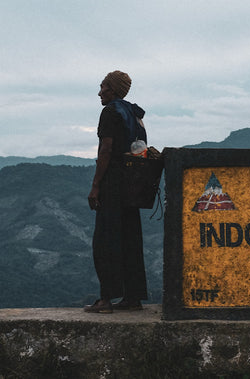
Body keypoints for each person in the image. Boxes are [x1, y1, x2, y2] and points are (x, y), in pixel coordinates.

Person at [84, 70, 148, 313]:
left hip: (112, 183)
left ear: (113, 89)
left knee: (106, 239)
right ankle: (133, 297)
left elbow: (106, 151)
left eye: (104, 87)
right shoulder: (135, 114)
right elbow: (140, 149)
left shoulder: (110, 112)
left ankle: (106, 300)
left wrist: (96, 185)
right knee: (130, 237)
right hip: (133, 184)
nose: (100, 92)